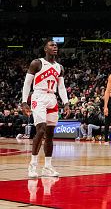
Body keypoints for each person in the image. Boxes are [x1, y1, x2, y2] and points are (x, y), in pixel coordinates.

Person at [21, 39, 69, 178]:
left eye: (56, 46)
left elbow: (61, 87)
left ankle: (47, 167)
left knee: (50, 134)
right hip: (38, 97)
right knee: (40, 129)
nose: (55, 47)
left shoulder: (59, 67)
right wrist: (24, 102)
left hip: (52, 98)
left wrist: (66, 103)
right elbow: (27, 83)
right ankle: (33, 165)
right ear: (45, 49)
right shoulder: (37, 63)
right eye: (51, 45)